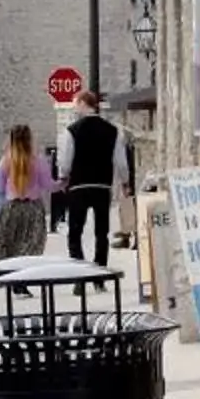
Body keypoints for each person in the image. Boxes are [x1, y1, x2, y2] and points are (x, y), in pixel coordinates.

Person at [57, 90, 128, 268]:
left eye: (76, 104)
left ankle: (79, 270)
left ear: (83, 103)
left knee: (75, 231)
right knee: (101, 232)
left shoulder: (72, 131)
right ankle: (100, 271)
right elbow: (120, 162)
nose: (75, 108)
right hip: (102, 185)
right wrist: (125, 182)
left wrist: (63, 178)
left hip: (78, 185)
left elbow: (65, 161)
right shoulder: (113, 131)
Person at [0, 124, 49, 261]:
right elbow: (48, 184)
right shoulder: (38, 161)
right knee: (31, 247)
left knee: (7, 245)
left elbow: (0, 188)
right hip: (34, 208)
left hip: (12, 208)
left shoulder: (5, 161)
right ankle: (25, 277)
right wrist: (63, 183)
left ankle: (9, 277)